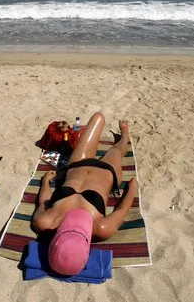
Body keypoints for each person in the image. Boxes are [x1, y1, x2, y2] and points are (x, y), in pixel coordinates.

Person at [32, 112, 139, 276]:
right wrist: (132, 188)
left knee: (98, 117)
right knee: (118, 149)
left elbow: (43, 201)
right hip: (107, 171)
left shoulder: (45, 222)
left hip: (77, 164)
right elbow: (121, 210)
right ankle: (124, 134)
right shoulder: (101, 228)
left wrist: (45, 182)